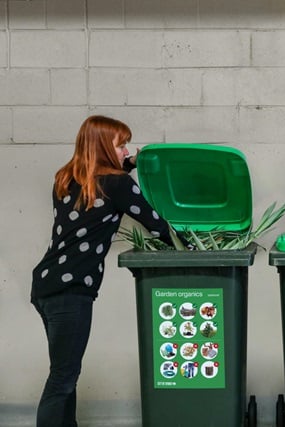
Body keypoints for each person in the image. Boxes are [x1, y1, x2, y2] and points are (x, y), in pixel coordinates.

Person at [31, 115, 181, 427]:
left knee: (65, 372)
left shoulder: (66, 179)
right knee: (62, 378)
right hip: (71, 291)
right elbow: (155, 225)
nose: (127, 150)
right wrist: (190, 248)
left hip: (46, 284)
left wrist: (130, 163)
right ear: (103, 147)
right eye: (122, 145)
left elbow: (106, 187)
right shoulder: (118, 184)